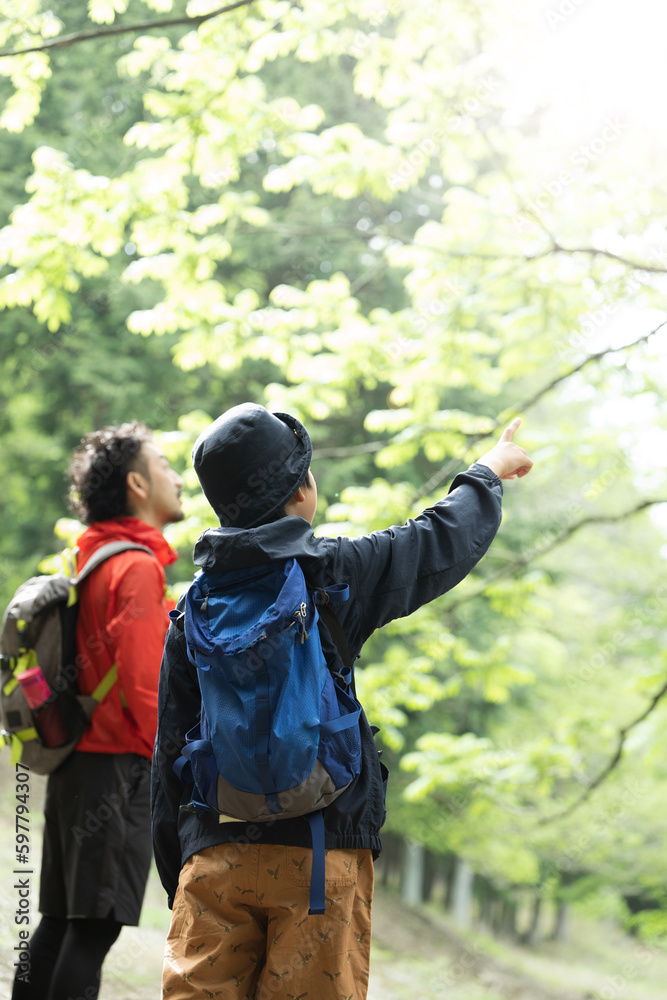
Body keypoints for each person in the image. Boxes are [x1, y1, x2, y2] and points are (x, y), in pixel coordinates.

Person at [151, 403, 533, 1000]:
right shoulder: (332, 574)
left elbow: (167, 755)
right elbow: (436, 541)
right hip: (320, 861)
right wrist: (487, 471)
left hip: (216, 850)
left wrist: (184, 869)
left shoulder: (192, 611)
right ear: (302, 489)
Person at [12, 420, 184, 1000]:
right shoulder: (136, 568)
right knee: (94, 925)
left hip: (76, 762)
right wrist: (171, 763)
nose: (177, 478)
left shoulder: (95, 559)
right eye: (164, 467)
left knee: (64, 920)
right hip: (114, 765)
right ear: (138, 484)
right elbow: (143, 685)